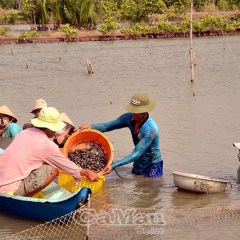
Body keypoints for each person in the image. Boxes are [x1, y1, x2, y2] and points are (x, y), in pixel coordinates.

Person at [0, 107, 98, 197]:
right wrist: (86, 172)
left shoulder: (25, 132)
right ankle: (24, 198)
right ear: (51, 128)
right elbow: (65, 165)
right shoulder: (46, 144)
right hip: (7, 189)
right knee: (53, 170)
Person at [78, 92, 163, 178]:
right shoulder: (128, 118)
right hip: (138, 161)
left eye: (136, 112)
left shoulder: (150, 129)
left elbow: (136, 154)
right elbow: (107, 126)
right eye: (132, 110)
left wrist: (114, 165)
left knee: (150, 187)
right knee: (137, 183)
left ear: (144, 111)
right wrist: (91, 126)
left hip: (152, 164)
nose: (133, 114)